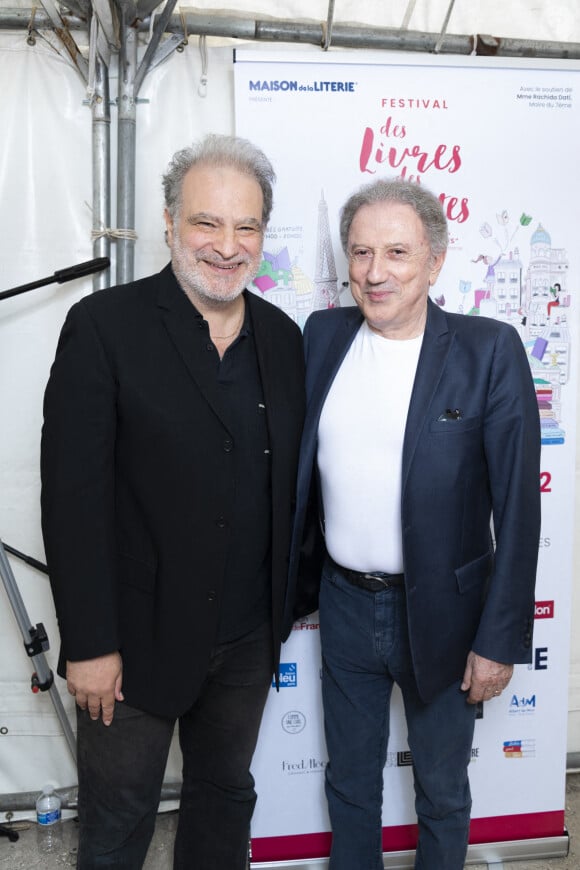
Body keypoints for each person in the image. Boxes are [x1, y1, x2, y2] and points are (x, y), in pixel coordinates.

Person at [40, 133, 305, 870]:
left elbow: (294, 483)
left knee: (225, 803)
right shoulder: (104, 327)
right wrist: (89, 644)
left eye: (246, 225)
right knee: (120, 820)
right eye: (206, 222)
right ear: (167, 222)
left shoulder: (284, 340)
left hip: (248, 641)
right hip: (131, 645)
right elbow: (71, 496)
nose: (227, 245)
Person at [288, 178, 541, 869]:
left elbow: (520, 509)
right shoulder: (322, 335)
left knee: (442, 791)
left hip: (446, 614)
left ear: (435, 260)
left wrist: (498, 639)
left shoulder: (488, 350)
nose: (374, 272)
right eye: (361, 252)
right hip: (343, 604)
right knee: (349, 786)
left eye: (396, 252)